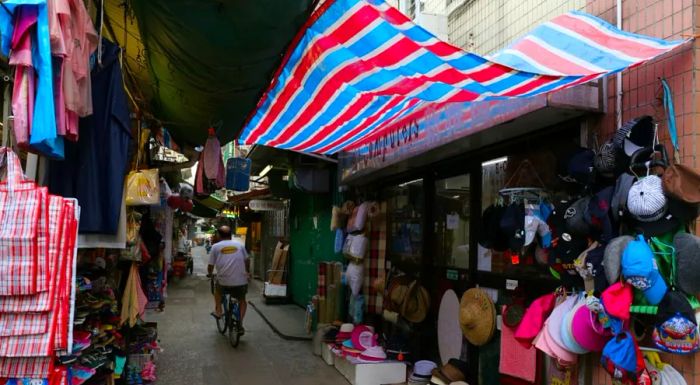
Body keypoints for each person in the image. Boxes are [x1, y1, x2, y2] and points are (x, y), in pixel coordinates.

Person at [207, 225, 250, 332]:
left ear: (219, 235)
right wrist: (247, 272)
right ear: (230, 235)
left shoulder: (215, 247)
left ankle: (219, 311)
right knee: (242, 300)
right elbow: (247, 260)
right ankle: (240, 324)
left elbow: (210, 265)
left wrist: (210, 273)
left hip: (224, 282)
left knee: (217, 291)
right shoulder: (239, 245)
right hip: (241, 281)